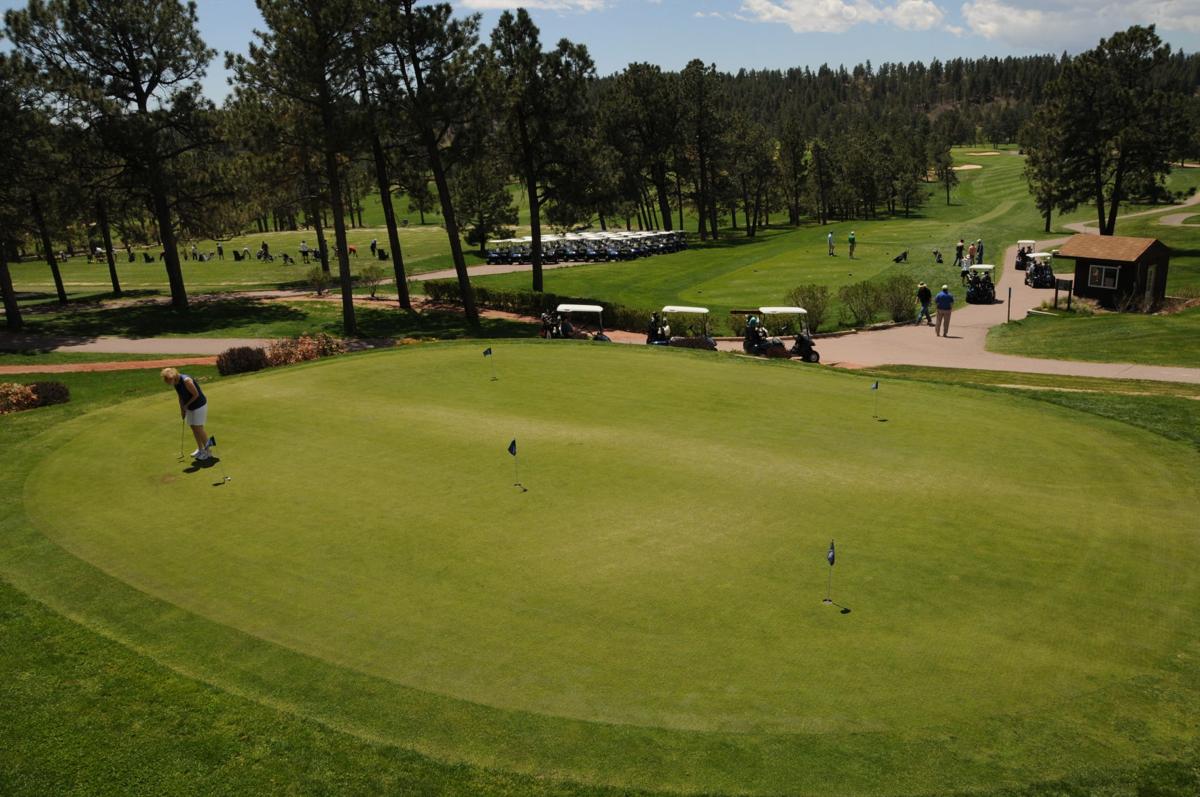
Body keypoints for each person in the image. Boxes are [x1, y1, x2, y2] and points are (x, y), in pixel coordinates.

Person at [162, 367, 211, 460]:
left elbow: (196, 394)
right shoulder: (176, 383)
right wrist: (182, 410)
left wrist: (186, 405)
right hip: (190, 407)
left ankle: (208, 451)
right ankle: (200, 449)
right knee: (193, 427)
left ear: (173, 377)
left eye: (168, 380)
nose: (168, 382)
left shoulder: (186, 380)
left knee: (199, 428)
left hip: (199, 405)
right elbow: (180, 397)